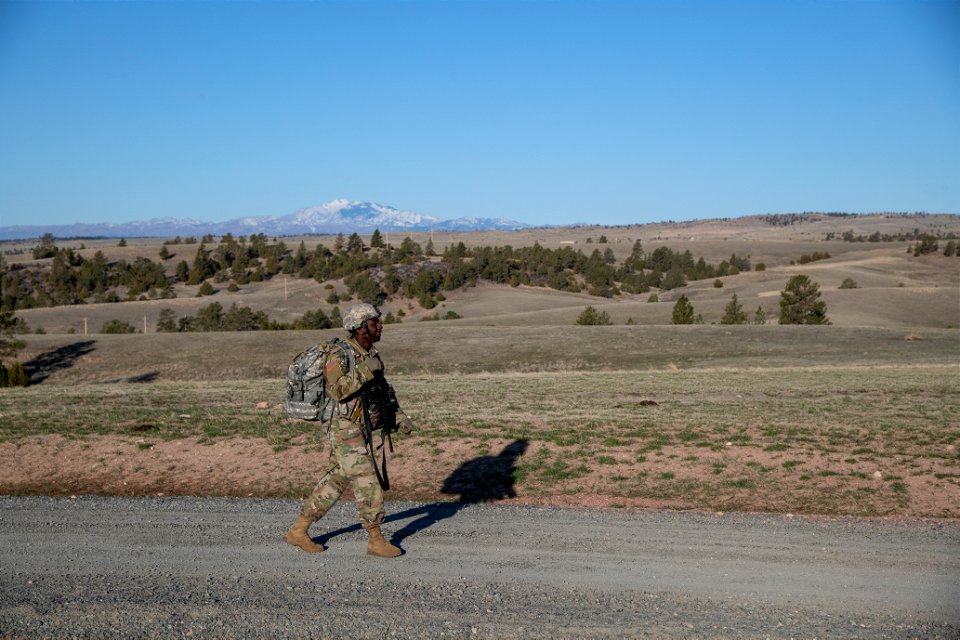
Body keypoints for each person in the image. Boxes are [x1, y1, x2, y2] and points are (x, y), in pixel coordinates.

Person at [284, 303, 415, 557]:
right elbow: (338, 390)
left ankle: (298, 531)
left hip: (361, 426)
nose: (380, 326)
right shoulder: (340, 354)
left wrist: (398, 417)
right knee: (366, 475)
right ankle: (375, 538)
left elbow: (383, 392)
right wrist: (367, 371)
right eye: (375, 322)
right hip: (343, 427)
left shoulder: (370, 354)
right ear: (360, 327)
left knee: (336, 479)